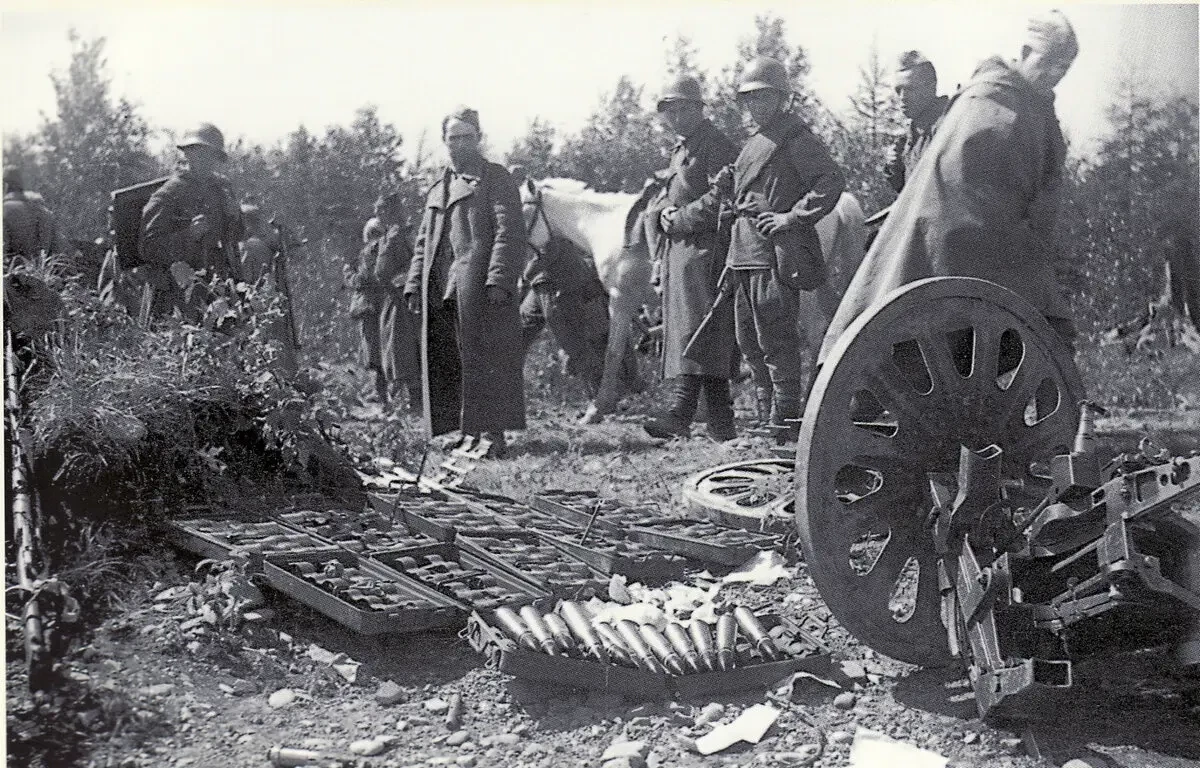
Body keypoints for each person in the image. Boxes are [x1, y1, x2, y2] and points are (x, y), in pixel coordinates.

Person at [821, 10, 1082, 362]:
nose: (1055, 75)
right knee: (1043, 331)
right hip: (963, 244)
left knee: (1049, 335)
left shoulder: (1033, 108)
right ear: (1024, 51)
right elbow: (962, 185)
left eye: (1063, 69)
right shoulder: (986, 100)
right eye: (1048, 64)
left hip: (1005, 241)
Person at [693, 57, 845, 442]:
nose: (755, 106)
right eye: (749, 99)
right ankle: (766, 421)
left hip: (772, 251)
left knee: (776, 338)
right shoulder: (752, 143)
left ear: (782, 98)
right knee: (748, 341)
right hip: (742, 252)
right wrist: (726, 185)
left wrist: (791, 217)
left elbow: (830, 181)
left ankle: (786, 423)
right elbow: (738, 194)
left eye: (763, 97)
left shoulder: (796, 138)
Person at [404, 107, 526, 458]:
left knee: (488, 357)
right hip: (442, 286)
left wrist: (499, 278)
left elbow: (508, 232)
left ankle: (492, 434)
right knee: (453, 361)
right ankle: (466, 432)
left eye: (467, 137)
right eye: (453, 138)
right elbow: (424, 242)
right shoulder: (438, 187)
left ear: (479, 138)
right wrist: (414, 283)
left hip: (479, 284)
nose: (460, 144)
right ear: (444, 141)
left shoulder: (495, 178)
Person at [642, 74, 740, 442]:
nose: (676, 117)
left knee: (703, 330)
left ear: (699, 109)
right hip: (682, 250)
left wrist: (679, 218)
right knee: (697, 331)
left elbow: (721, 198)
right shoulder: (682, 149)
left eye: (683, 109)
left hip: (706, 250)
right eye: (670, 111)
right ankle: (719, 422)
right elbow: (676, 193)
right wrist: (665, 214)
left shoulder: (715, 146)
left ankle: (682, 413)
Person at [139, 122, 244, 317]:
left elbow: (235, 237)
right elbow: (149, 248)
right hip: (176, 295)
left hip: (216, 289)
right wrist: (189, 235)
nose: (206, 161)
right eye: (199, 154)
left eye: (211, 155)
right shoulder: (169, 194)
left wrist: (234, 217)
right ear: (187, 154)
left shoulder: (221, 189)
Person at [373, 193, 420, 410]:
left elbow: (385, 271)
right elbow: (381, 271)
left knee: (405, 349)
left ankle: (414, 400)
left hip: (404, 298)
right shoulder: (392, 235)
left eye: (381, 210)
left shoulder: (400, 235)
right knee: (400, 350)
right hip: (397, 298)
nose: (377, 214)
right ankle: (408, 399)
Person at [239, 204, 298, 375]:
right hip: (272, 302)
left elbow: (245, 279)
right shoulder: (264, 245)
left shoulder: (249, 247)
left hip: (258, 305)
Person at [884, 51, 950, 194]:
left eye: (910, 89)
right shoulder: (914, 132)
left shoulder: (948, 126)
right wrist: (895, 168)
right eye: (898, 90)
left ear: (931, 87)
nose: (902, 97)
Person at [350, 213, 390, 403]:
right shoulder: (380, 250)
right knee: (379, 350)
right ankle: (382, 393)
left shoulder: (371, 251)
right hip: (378, 304)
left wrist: (351, 277)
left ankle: (383, 395)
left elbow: (365, 278)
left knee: (376, 351)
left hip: (373, 305)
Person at [3, 166, 67, 265]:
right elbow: (59, 247)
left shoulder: (4, 210)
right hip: (44, 270)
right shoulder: (43, 210)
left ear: (5, 185)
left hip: (14, 270)